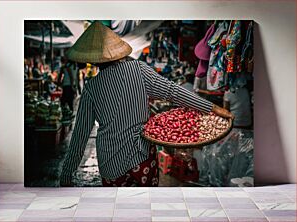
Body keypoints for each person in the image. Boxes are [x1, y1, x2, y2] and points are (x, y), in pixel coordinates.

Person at [60, 21, 233, 187]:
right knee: (145, 207)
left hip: (111, 164)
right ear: (118, 50)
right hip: (141, 158)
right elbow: (172, 91)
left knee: (116, 209)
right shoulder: (138, 70)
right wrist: (212, 108)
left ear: (93, 61)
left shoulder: (91, 88)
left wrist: (67, 174)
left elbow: (80, 135)